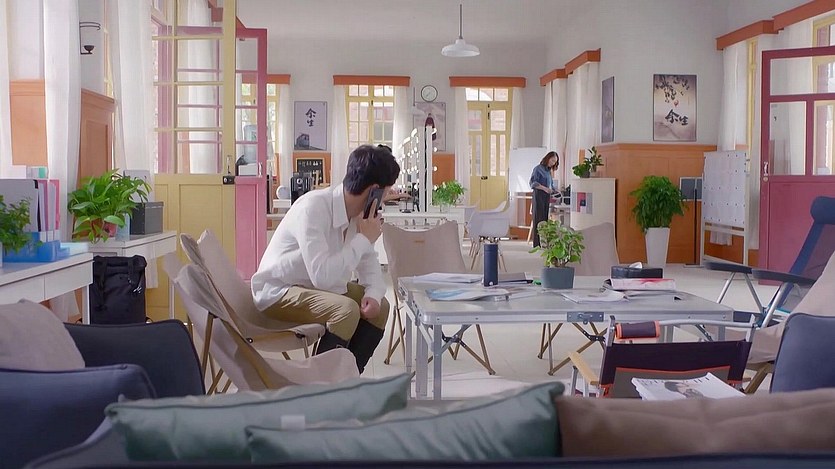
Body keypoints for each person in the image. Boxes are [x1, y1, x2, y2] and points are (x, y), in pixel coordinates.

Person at [251, 144, 400, 374]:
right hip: (279, 291)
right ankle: (319, 385)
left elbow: (369, 266)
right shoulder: (313, 208)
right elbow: (322, 277)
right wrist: (363, 239)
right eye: (386, 193)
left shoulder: (358, 217)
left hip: (314, 289)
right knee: (346, 310)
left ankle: (346, 380)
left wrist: (372, 294)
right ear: (374, 191)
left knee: (381, 306)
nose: (384, 200)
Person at [529, 151, 559, 247]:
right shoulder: (538, 169)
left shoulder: (548, 171)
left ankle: (543, 243)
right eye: (552, 160)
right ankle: (537, 244)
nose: (553, 163)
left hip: (546, 196)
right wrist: (545, 188)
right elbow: (533, 183)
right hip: (539, 195)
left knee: (544, 220)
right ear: (548, 158)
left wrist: (555, 190)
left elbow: (550, 185)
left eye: (555, 162)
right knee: (538, 219)